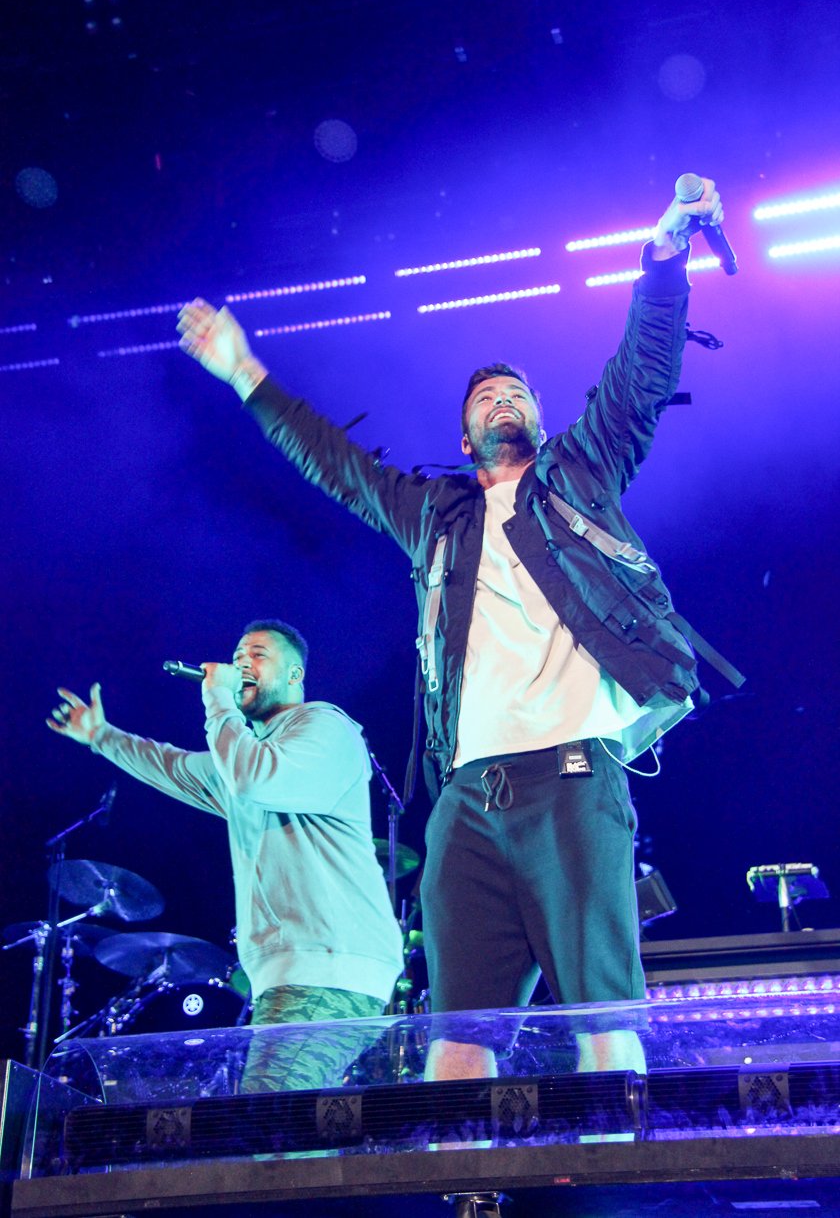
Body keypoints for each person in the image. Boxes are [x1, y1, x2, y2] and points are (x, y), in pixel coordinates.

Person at [176, 179, 731, 1083]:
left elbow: (640, 377)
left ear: (540, 421)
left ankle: (622, 1165)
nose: (503, 398)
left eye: (517, 393)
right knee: (458, 1036)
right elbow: (339, 466)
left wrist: (663, 258)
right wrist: (244, 370)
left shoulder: (580, 478)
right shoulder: (434, 518)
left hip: (572, 775)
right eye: (486, 397)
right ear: (465, 433)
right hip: (467, 800)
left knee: (598, 1015)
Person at [47, 620, 404, 1090]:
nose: (241, 664)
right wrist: (102, 737)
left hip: (327, 966)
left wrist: (217, 702)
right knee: (292, 1131)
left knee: (271, 1127)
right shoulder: (248, 758)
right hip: (298, 971)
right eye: (237, 657)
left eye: (257, 655)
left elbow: (255, 777)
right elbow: (173, 765)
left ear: (295, 675)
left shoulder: (324, 727)